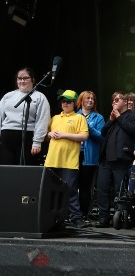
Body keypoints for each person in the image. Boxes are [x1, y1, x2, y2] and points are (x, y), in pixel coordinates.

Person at [44, 90, 89, 228]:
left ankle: (76, 218)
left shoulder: (79, 118)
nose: (65, 104)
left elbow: (84, 136)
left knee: (70, 190)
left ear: (74, 103)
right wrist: (49, 134)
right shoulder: (55, 118)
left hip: (69, 161)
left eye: (68, 101)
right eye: (63, 101)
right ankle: (50, 217)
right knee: (50, 190)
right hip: (52, 160)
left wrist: (64, 134)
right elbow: (45, 137)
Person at [95, 92, 135, 228]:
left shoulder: (133, 116)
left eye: (117, 100)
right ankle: (103, 217)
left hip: (121, 159)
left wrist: (119, 117)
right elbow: (103, 132)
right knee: (102, 189)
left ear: (125, 102)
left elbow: (133, 130)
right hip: (105, 160)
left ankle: (119, 216)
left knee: (119, 189)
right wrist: (111, 120)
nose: (113, 102)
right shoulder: (113, 117)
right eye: (112, 100)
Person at [0, 67, 50, 165]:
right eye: (19, 78)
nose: (22, 81)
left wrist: (37, 142)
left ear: (33, 80)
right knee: (6, 168)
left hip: (27, 137)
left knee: (24, 170)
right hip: (7, 137)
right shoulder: (8, 96)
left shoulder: (39, 97)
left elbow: (42, 120)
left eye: (25, 78)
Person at [76, 91, 105, 219]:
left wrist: (87, 127)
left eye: (93, 98)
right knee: (71, 185)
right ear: (81, 100)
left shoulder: (98, 118)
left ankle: (83, 214)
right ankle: (70, 212)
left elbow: (102, 137)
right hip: (73, 155)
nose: (91, 100)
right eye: (88, 98)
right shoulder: (74, 115)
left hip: (89, 157)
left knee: (85, 187)